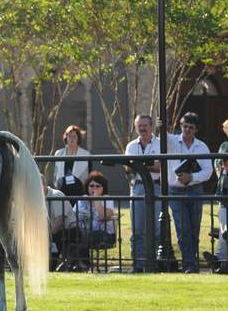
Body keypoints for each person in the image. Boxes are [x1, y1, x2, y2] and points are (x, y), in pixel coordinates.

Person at [166, 112, 213, 274]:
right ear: (180, 126)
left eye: (191, 127)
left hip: (195, 190)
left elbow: (208, 171)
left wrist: (191, 177)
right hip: (175, 191)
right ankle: (189, 265)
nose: (187, 130)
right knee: (183, 229)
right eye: (184, 126)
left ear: (196, 130)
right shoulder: (171, 141)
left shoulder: (201, 146)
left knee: (194, 229)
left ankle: (192, 262)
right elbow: (160, 134)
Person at [124, 115, 162, 272]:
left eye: (145, 125)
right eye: (139, 126)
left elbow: (160, 167)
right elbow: (127, 168)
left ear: (151, 126)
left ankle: (155, 265)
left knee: (157, 229)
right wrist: (148, 165)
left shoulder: (160, 144)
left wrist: (139, 165)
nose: (142, 128)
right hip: (138, 187)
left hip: (156, 186)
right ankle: (138, 265)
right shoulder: (131, 146)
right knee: (137, 229)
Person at [66, 171, 116, 271]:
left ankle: (83, 264)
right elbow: (72, 216)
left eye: (98, 186)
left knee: (89, 235)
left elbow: (103, 216)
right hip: (84, 232)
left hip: (104, 234)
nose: (94, 188)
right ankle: (73, 264)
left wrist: (96, 199)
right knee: (69, 233)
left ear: (103, 188)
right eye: (91, 186)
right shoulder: (82, 200)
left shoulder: (107, 199)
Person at [53, 125, 90, 205]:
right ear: (66, 138)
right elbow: (55, 175)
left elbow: (87, 177)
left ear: (78, 138)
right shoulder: (58, 153)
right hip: (62, 190)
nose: (71, 139)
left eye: (74, 136)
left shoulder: (85, 154)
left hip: (78, 192)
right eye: (69, 136)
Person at [46, 183, 79, 271]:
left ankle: (51, 267)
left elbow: (60, 221)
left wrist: (48, 235)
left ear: (44, 184)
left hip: (69, 231)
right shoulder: (36, 197)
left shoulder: (56, 195)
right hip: (55, 231)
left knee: (54, 237)